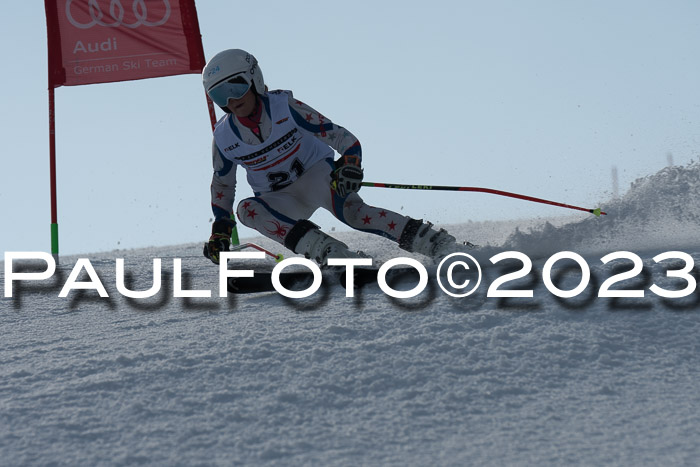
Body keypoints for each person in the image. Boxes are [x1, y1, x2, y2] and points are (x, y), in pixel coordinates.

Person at [202, 49, 466, 266]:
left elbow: (340, 136)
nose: (230, 100)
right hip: (278, 198)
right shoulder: (224, 137)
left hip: (318, 176)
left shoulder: (284, 107)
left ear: (254, 79)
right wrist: (221, 228)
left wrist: (350, 163)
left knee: (353, 213)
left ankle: (437, 244)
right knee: (248, 210)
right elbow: (223, 185)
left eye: (235, 87)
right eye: (219, 95)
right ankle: (333, 255)